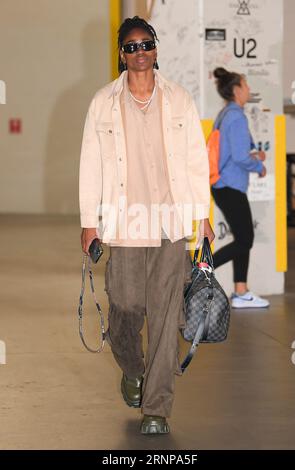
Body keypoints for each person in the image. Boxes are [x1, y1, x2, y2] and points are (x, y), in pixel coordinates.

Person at [79, 16, 214, 435]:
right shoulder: (103, 101)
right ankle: (132, 369)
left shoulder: (180, 99)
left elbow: (195, 162)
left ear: (156, 49)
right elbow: (90, 165)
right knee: (124, 304)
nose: (140, 53)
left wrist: (203, 217)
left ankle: (156, 407)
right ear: (122, 54)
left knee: (163, 312)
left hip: (170, 224)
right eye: (131, 47)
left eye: (146, 45)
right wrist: (89, 222)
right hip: (124, 221)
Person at [211, 67, 269, 309]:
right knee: (245, 239)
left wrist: (252, 155)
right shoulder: (236, 116)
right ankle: (199, 271)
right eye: (245, 86)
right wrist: (258, 166)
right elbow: (239, 157)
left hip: (225, 185)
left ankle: (241, 291)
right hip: (229, 185)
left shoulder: (226, 114)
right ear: (236, 90)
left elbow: (233, 151)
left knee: (243, 236)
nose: (249, 90)